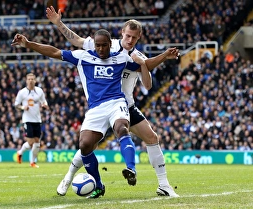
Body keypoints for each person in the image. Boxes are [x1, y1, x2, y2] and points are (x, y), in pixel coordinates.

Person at [46, 6, 180, 197]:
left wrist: (150, 61)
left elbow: (148, 82)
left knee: (152, 138)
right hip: (103, 104)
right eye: (127, 36)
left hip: (125, 106)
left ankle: (164, 185)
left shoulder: (136, 56)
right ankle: (68, 177)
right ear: (121, 34)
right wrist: (59, 23)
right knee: (87, 145)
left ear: (139, 37)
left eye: (134, 38)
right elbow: (77, 40)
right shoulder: (105, 45)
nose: (130, 40)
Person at [11, 29, 150, 198]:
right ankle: (98, 185)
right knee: (84, 145)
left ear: (110, 45)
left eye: (104, 45)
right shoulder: (82, 56)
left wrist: (162, 57)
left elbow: (147, 65)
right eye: (98, 45)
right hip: (95, 109)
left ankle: (131, 169)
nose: (100, 49)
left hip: (116, 103)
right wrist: (28, 44)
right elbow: (54, 51)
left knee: (121, 128)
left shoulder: (121, 58)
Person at [14, 73, 49, 168]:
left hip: (37, 119)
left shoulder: (39, 91)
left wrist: (44, 104)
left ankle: (32, 162)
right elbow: (16, 105)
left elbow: (44, 101)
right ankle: (20, 153)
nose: (31, 81)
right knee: (30, 142)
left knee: (37, 142)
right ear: (26, 80)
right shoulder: (22, 92)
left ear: (35, 80)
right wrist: (22, 107)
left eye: (32, 79)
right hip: (27, 120)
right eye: (29, 79)